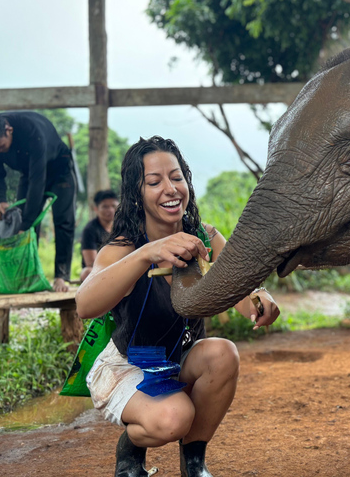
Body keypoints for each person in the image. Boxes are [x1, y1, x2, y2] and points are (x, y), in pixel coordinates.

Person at [75, 136, 280, 477]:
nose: (170, 189)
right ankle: (131, 448)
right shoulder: (124, 247)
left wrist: (260, 299)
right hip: (128, 366)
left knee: (223, 353)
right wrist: (147, 254)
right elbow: (85, 304)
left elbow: (241, 288)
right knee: (174, 417)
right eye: (154, 182)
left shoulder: (203, 237)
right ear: (137, 194)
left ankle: (194, 463)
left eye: (177, 177)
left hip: (179, 361)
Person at [0, 110, 76, 292]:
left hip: (59, 168)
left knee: (62, 220)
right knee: (20, 221)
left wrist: (26, 223)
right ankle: (29, 277)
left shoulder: (31, 130)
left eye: (0, 147)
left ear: (8, 130)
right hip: (28, 172)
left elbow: (38, 181)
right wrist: (0, 201)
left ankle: (61, 276)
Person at [80, 189, 119, 282]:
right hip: (99, 271)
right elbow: (90, 263)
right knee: (87, 272)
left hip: (120, 267)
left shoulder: (123, 227)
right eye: (105, 207)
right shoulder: (90, 229)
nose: (110, 210)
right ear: (96, 209)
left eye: (113, 206)